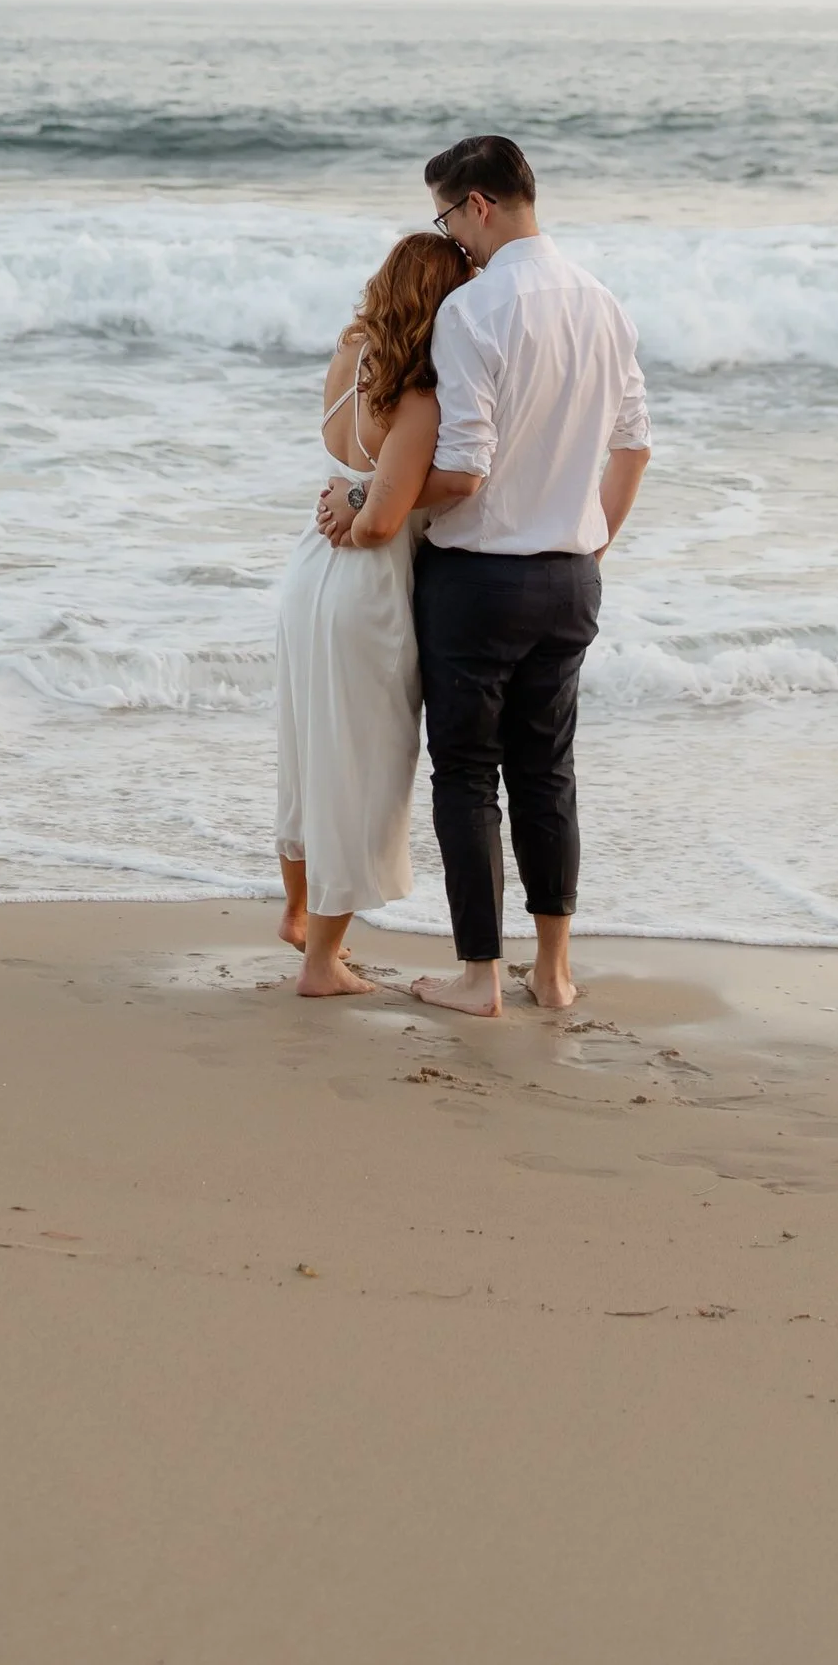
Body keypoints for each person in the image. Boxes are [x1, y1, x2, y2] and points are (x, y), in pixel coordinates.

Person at [319, 133, 650, 1018]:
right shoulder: (604, 302)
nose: (452, 241)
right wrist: (589, 544)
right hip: (571, 578)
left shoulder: (474, 311)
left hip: (478, 583)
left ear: (477, 204)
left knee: (467, 777)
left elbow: (463, 471)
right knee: (548, 774)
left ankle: (478, 978)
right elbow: (634, 445)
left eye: (447, 219)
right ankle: (554, 972)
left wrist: (366, 495)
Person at [274, 229, 473, 997]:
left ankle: (299, 916)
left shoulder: (349, 354)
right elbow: (381, 523)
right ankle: (322, 964)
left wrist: (352, 498)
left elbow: (355, 489)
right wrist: (364, 509)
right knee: (357, 772)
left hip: (305, 577)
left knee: (306, 754)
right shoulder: (416, 397)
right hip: (365, 592)